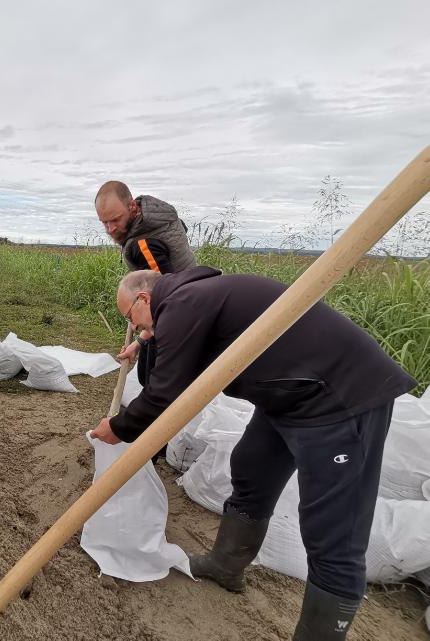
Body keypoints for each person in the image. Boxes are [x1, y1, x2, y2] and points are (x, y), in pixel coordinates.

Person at [90, 267, 416, 640]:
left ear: (144, 298)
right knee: (251, 466)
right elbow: (172, 355)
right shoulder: (190, 298)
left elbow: (164, 393)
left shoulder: (184, 302)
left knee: (332, 533)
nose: (134, 327)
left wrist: (118, 429)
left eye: (130, 319)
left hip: (339, 397)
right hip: (290, 396)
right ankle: (226, 564)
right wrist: (147, 342)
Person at [95, 180, 198, 452]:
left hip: (182, 317)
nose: (110, 229)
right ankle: (155, 442)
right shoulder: (154, 217)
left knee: (154, 381)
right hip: (181, 309)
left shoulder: (144, 242)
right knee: (147, 375)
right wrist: (139, 343)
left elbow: (162, 296)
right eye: (104, 222)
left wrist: (142, 338)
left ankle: (151, 448)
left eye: (115, 220)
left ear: (132, 206)